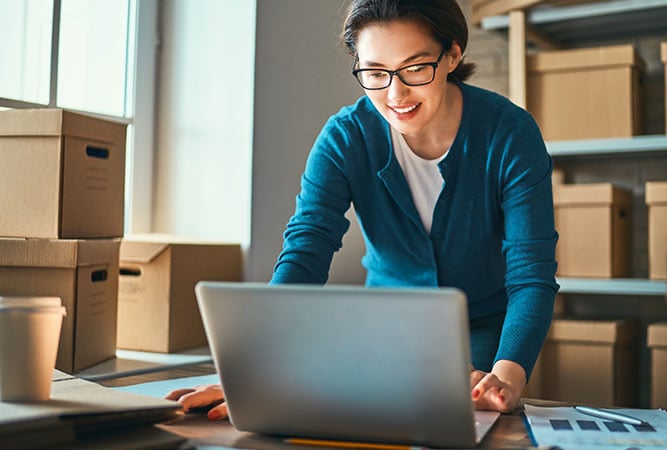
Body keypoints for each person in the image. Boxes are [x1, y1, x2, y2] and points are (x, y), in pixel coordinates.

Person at [166, 0, 558, 420]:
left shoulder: (510, 134)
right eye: (374, 72)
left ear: (452, 55)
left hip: (487, 329)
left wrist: (507, 376)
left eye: (414, 68)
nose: (395, 94)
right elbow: (306, 251)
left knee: (478, 426)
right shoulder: (345, 138)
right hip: (385, 334)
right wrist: (256, 367)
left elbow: (530, 275)